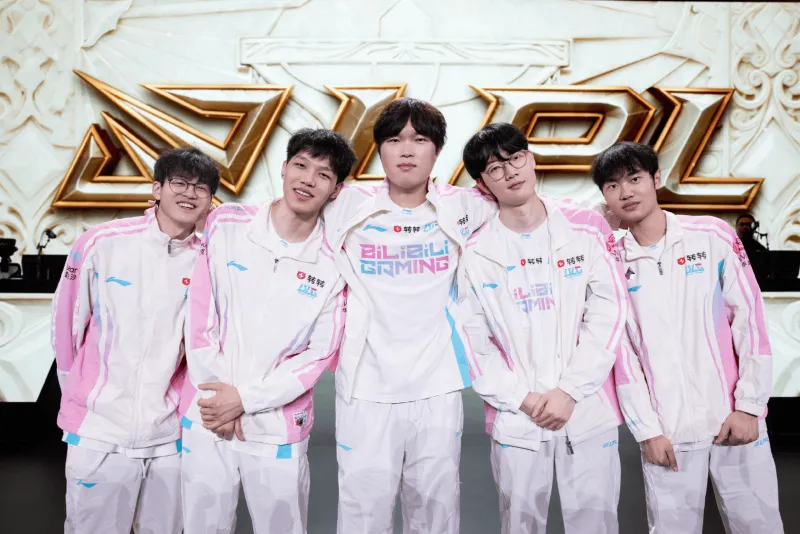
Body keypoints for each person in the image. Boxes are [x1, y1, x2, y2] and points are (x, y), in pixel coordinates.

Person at [324, 98, 497, 533]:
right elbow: (284, 214)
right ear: (378, 149)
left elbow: (527, 208)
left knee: (436, 513)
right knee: (362, 515)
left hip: (436, 386)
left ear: (437, 150)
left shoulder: (466, 205)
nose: (406, 150)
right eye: (394, 140)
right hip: (364, 386)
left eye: (419, 139)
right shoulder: (346, 204)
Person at [593, 141, 783, 533]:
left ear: (656, 178)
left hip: (734, 419)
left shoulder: (711, 236)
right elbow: (622, 357)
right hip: (669, 430)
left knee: (759, 525)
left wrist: (750, 406)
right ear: (604, 196)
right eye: (612, 185)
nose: (625, 192)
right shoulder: (608, 260)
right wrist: (647, 431)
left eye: (634, 178)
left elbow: (750, 322)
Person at [180, 128, 355, 534]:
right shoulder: (227, 223)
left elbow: (318, 355)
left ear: (335, 190)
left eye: (323, 175)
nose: (307, 180)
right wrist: (219, 400)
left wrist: (245, 400)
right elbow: (200, 316)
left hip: (277, 424)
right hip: (208, 415)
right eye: (301, 165)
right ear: (284, 167)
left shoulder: (334, 261)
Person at [460, 123, 627, 533]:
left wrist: (569, 390)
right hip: (518, 415)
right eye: (495, 168)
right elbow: (473, 341)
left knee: (596, 524)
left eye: (516, 158)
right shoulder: (476, 252)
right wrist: (523, 398)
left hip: (587, 409)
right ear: (482, 183)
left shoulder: (586, 227)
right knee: (519, 524)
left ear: (531, 159)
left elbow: (609, 313)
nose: (510, 172)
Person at [52, 147, 220, 533]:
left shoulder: (210, 257)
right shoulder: (102, 242)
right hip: (99, 429)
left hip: (170, 435)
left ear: (210, 200)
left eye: (201, 188)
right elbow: (66, 326)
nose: (190, 193)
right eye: (180, 183)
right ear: (157, 189)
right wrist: (81, 394)